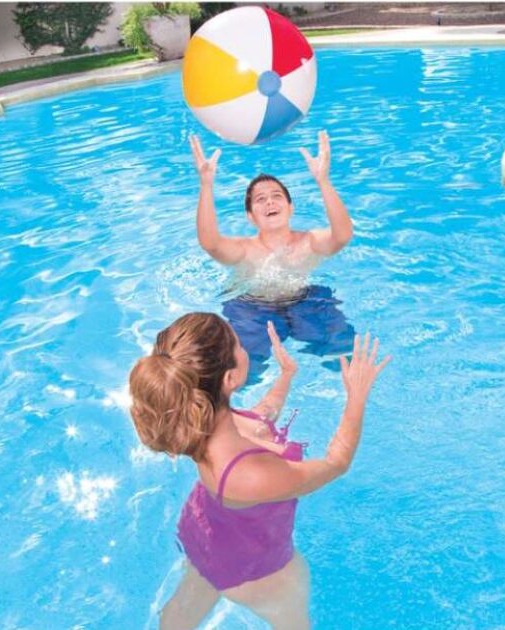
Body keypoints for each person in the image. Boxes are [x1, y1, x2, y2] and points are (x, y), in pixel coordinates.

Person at [128, 312, 390, 629]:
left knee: (188, 603)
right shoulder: (250, 475)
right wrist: (357, 397)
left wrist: (286, 377)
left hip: (204, 529)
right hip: (253, 570)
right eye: (238, 345)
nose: (245, 349)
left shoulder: (204, 420)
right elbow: (337, 463)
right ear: (230, 379)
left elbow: (260, 419)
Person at [189, 131, 356, 382]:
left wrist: (323, 181)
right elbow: (210, 243)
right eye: (260, 199)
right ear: (250, 216)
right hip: (252, 309)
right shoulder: (244, 249)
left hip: (304, 302)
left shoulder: (309, 241)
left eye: (277, 196)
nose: (270, 202)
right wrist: (206, 184)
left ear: (290, 208)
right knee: (241, 372)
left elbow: (342, 235)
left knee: (344, 355)